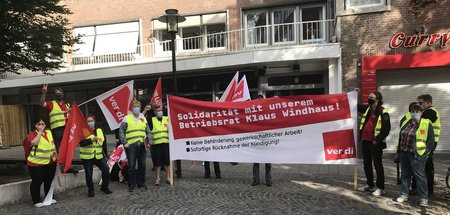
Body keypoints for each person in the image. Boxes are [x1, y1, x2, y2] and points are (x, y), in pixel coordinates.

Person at [396, 104, 434, 207]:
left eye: (417, 112)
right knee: (405, 174)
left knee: (420, 176)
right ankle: (404, 194)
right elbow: (400, 138)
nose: (415, 113)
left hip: (417, 155)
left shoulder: (426, 123)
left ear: (421, 113)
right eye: (413, 111)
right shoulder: (406, 122)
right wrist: (398, 152)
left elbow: (431, 142)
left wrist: (425, 154)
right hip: (404, 152)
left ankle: (424, 198)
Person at [357, 91, 391, 196]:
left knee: (377, 165)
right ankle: (369, 184)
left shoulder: (383, 111)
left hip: (375, 143)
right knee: (366, 164)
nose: (369, 98)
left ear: (377, 99)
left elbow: (386, 128)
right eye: (369, 96)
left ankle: (381, 188)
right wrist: (353, 95)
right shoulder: (368, 108)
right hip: (365, 141)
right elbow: (356, 106)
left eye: (371, 97)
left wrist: (377, 140)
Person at [40, 84, 78, 174]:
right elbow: (42, 103)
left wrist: (71, 111)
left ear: (63, 94)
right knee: (58, 149)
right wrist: (44, 93)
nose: (59, 94)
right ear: (54, 95)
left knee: (68, 148)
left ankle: (67, 167)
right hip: (57, 130)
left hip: (67, 129)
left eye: (60, 93)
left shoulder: (67, 105)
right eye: (57, 93)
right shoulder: (51, 104)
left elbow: (72, 117)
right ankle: (57, 168)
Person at [119, 100, 152, 192]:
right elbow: (121, 131)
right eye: (134, 107)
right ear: (131, 108)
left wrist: (149, 141)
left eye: (138, 107)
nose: (136, 108)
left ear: (140, 108)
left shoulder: (143, 118)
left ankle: (141, 183)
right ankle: (131, 185)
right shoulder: (127, 118)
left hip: (142, 144)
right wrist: (124, 142)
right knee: (131, 166)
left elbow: (148, 131)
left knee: (142, 165)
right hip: (131, 145)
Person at [24, 118, 57, 207]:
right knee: (37, 181)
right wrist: (39, 132)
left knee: (48, 180)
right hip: (36, 163)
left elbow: (52, 145)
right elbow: (34, 143)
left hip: (50, 162)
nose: (41, 126)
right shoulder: (32, 134)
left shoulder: (49, 133)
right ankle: (36, 200)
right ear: (35, 125)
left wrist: (56, 158)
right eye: (39, 124)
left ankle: (49, 197)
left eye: (43, 124)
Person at [79, 115, 112, 197]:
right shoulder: (83, 131)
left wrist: (106, 154)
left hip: (98, 156)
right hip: (87, 157)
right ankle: (91, 190)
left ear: (94, 121)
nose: (90, 122)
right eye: (88, 121)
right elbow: (81, 143)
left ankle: (104, 187)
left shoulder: (99, 130)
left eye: (91, 120)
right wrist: (91, 140)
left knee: (106, 170)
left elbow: (103, 143)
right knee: (89, 174)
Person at [417, 94, 440, 195]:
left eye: (421, 103)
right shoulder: (428, 111)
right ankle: (426, 188)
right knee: (427, 165)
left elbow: (418, 121)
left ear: (428, 102)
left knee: (427, 165)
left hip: (430, 142)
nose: (419, 105)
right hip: (428, 141)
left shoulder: (430, 112)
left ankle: (428, 189)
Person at [252, 95, 272, 187]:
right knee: (257, 162)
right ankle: (258, 180)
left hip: (266, 141)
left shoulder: (268, 114)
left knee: (266, 163)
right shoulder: (253, 115)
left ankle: (267, 180)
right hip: (257, 141)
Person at [150, 105, 171, 185]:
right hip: (156, 144)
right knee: (157, 162)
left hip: (166, 143)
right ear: (155, 112)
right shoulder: (152, 120)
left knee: (167, 161)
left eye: (161, 110)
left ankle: (168, 177)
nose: (160, 112)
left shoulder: (166, 118)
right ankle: (157, 178)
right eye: (158, 111)